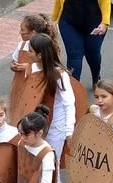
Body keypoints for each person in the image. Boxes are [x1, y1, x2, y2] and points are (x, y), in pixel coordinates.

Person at [27, 33, 77, 164]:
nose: (28, 53)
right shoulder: (32, 68)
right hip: (36, 126)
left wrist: (69, 132)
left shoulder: (60, 75)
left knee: (52, 165)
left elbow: (69, 104)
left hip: (55, 128)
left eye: (30, 51)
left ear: (40, 55)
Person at [5, 105, 58, 183]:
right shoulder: (22, 143)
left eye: (26, 134)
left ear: (40, 133)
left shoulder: (47, 154)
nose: (22, 138)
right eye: (20, 133)